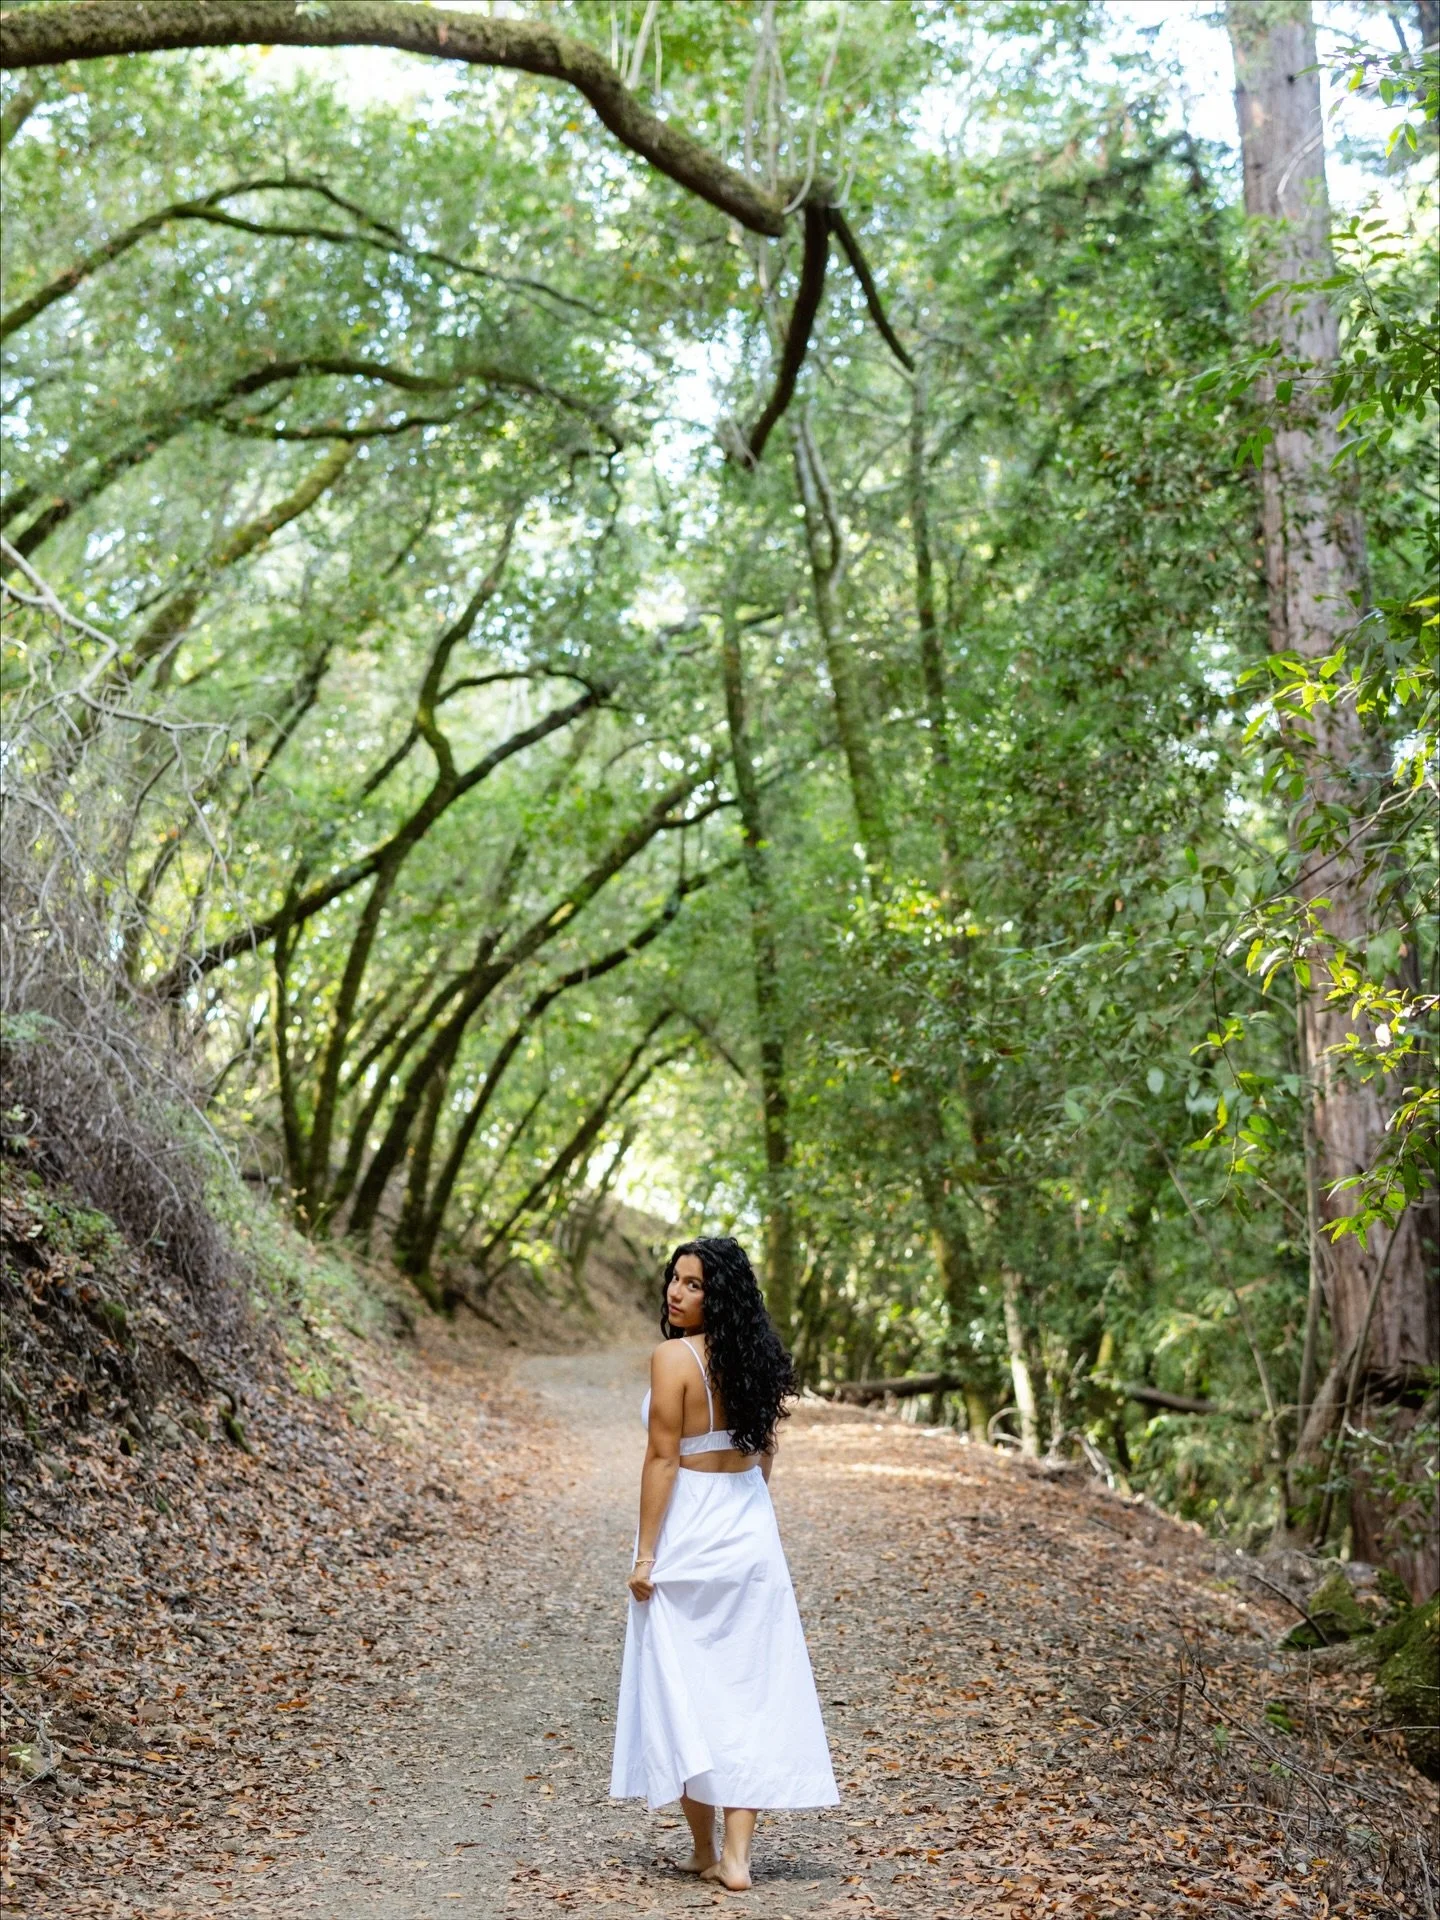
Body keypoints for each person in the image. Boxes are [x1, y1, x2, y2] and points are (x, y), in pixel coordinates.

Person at [609, 1236, 838, 1890]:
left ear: (720, 1294)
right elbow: (764, 1454)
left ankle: (708, 1848)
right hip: (746, 1518)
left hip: (689, 1523)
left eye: (694, 1284)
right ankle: (731, 1857)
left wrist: (648, 1551)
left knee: (681, 1685)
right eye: (675, 1280)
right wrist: (751, 1514)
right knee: (750, 1687)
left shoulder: (671, 1358)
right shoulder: (759, 1358)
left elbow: (661, 1459)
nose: (676, 1293)